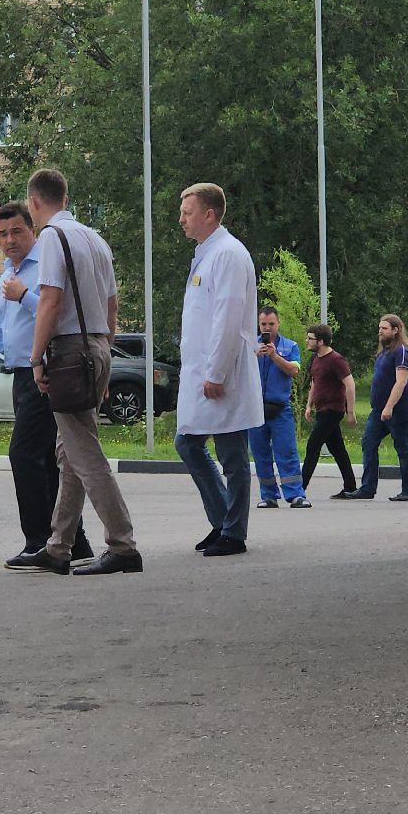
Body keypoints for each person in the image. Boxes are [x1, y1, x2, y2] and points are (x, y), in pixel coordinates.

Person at [6, 168, 143, 576]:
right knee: (70, 453)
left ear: (34, 203)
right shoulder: (94, 238)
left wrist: (35, 359)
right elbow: (112, 303)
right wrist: (102, 357)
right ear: (64, 197)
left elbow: (50, 299)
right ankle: (59, 545)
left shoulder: (51, 237)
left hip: (68, 351)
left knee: (85, 455)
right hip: (97, 345)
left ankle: (122, 544)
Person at [0, 200, 94, 570]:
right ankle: (73, 542)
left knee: (25, 456)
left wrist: (23, 295)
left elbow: (56, 311)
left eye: (17, 231)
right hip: (21, 375)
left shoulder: (44, 265)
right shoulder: (5, 277)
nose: (9, 240)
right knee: (45, 460)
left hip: (45, 371)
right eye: (1, 234)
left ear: (33, 230)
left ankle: (38, 542)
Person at [173, 183, 262, 556]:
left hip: (221, 372)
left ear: (209, 214)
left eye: (187, 212)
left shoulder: (227, 254)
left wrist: (217, 372)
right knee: (189, 442)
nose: (181, 220)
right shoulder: (207, 254)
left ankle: (234, 531)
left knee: (231, 453)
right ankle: (223, 520)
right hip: (202, 372)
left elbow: (227, 319)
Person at [354, 314, 408, 501]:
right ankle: (367, 488)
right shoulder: (383, 352)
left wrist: (389, 407)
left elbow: (401, 382)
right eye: (380, 328)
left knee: (403, 446)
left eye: (384, 328)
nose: (380, 331)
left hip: (398, 408)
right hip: (379, 409)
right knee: (368, 442)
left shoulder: (402, 351)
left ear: (395, 330)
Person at [250, 308, 307, 510]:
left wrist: (274, 356)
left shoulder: (289, 346)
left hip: (280, 409)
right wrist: (254, 356)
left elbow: (294, 370)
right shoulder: (250, 346)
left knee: (287, 451)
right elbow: (238, 370)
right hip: (255, 410)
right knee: (260, 454)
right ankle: (269, 495)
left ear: (278, 323)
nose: (267, 328)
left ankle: (295, 494)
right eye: (263, 324)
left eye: (271, 324)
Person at [302, 324, 359, 498]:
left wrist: (350, 411)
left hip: (332, 410)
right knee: (337, 449)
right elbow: (315, 383)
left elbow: (350, 384)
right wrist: (309, 405)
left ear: (320, 341)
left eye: (310, 338)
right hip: (321, 409)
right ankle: (350, 486)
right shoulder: (315, 359)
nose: (307, 341)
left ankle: (299, 488)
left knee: (313, 445)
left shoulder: (336, 360)